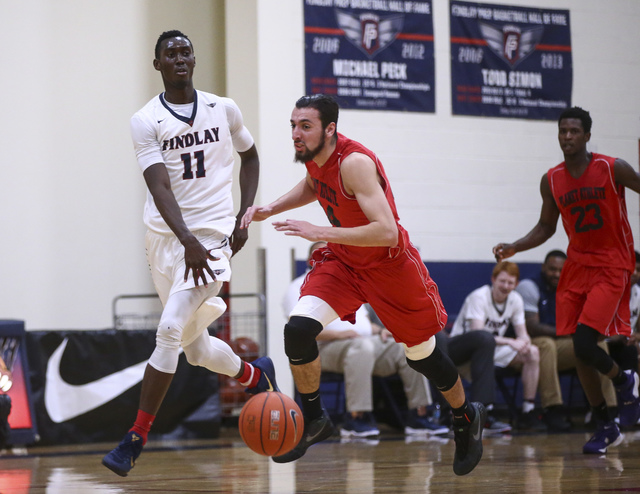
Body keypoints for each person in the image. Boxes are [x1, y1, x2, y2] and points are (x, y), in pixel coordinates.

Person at [242, 94, 486, 476]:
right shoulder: (317, 159)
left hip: (390, 267)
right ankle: (315, 418)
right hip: (345, 261)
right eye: (293, 125)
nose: (296, 133)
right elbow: (312, 185)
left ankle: (465, 416)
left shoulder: (354, 163)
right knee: (298, 330)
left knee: (423, 357)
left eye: (305, 126)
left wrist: (317, 230)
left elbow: (387, 232)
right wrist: (270, 208)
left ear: (330, 129)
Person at [102, 30, 278, 477]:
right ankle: (256, 377)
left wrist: (244, 216)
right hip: (167, 241)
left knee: (168, 330)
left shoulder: (224, 108)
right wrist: (185, 242)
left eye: (185, 51)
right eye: (170, 53)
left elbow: (251, 158)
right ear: (157, 64)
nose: (179, 58)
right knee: (196, 350)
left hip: (213, 241)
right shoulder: (145, 120)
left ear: (194, 59)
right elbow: (158, 185)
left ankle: (135, 437)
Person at [493, 106, 640, 454]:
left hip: (611, 264)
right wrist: (516, 245)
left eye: (575, 131)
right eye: (563, 131)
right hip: (576, 267)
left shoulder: (611, 167)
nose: (568, 137)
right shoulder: (552, 179)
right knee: (580, 351)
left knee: (588, 342)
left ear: (587, 135)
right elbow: (547, 227)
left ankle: (625, 379)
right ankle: (606, 425)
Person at [284, 241, 449, 438]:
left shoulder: (348, 281)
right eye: (321, 253)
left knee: (407, 344)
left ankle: (419, 415)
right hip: (324, 348)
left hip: (363, 343)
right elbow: (298, 334)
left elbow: (361, 323)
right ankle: (356, 418)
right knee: (361, 348)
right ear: (311, 259)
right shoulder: (298, 287)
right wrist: (340, 335)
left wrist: (381, 330)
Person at [516, 250, 617, 431]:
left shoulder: (574, 289)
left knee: (596, 345)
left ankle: (607, 409)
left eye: (560, 270)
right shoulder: (529, 286)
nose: (556, 274)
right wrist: (568, 332)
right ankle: (552, 409)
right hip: (532, 343)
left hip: (561, 342)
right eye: (552, 269)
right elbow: (532, 327)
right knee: (546, 345)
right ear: (543, 268)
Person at [448, 261, 543, 430]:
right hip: (461, 348)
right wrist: (510, 341)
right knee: (486, 341)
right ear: (493, 279)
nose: (506, 286)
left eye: (510, 283)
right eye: (502, 281)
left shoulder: (516, 300)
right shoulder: (479, 297)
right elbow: (478, 333)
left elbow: (523, 334)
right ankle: (485, 412)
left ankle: (528, 411)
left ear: (516, 284)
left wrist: (525, 343)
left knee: (533, 352)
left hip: (490, 348)